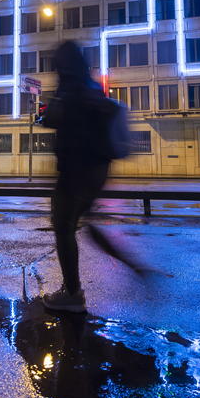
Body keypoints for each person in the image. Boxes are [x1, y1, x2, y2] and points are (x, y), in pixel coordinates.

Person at [41, 41, 127, 313]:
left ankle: (72, 294)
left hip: (74, 169)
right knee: (84, 223)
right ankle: (136, 268)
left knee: (63, 227)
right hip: (96, 170)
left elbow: (54, 118)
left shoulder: (70, 87)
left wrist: (48, 111)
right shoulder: (92, 86)